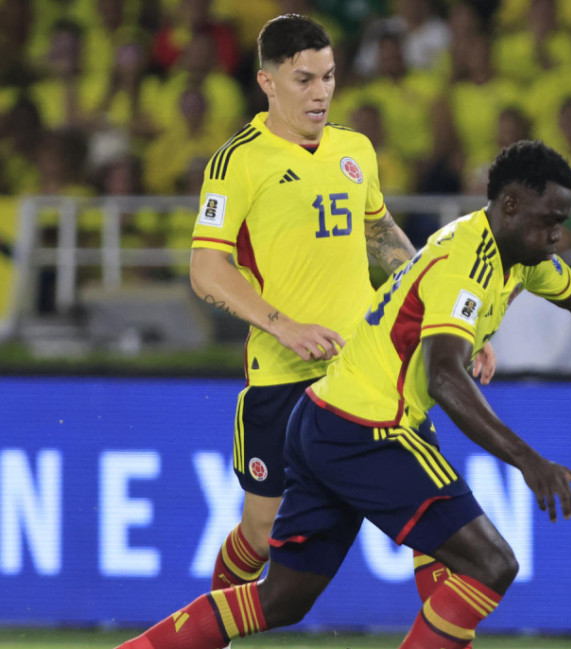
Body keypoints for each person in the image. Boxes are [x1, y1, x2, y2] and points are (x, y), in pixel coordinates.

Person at [115, 140, 571, 649]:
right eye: (549, 221)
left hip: (321, 421)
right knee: (492, 563)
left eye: (562, 222)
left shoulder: (519, 254)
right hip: (371, 430)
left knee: (281, 600)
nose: (556, 235)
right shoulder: (469, 259)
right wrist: (528, 460)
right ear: (511, 205)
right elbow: (449, 375)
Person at [186, 14, 492, 606]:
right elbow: (207, 270)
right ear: (267, 82)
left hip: (367, 371)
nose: (321, 92)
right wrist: (284, 325)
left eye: (328, 76)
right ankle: (213, 631)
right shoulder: (238, 161)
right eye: (303, 79)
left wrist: (456, 326)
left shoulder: (356, 149)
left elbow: (384, 239)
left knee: (435, 525)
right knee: (261, 535)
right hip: (282, 374)